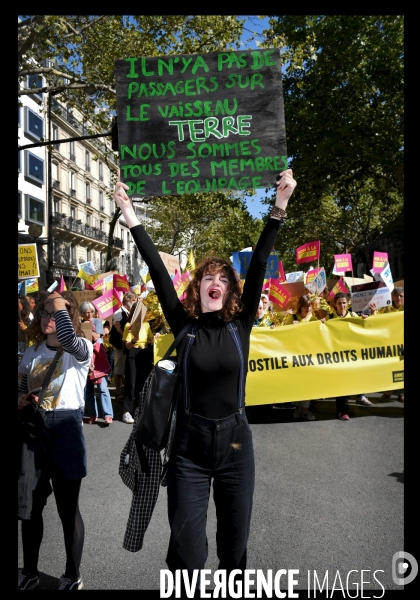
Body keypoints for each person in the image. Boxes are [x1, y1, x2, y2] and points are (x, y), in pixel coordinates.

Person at [113, 168, 297, 578]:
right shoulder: (185, 325)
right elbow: (158, 272)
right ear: (196, 290)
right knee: (186, 553)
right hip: (187, 452)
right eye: (206, 279)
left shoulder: (241, 325)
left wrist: (279, 205)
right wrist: (129, 215)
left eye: (222, 280)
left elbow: (262, 260)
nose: (214, 283)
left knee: (234, 549)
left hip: (235, 449)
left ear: (230, 292)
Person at [18, 290, 93, 590]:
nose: (48, 318)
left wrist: (58, 301)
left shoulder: (80, 348)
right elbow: (21, 386)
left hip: (66, 429)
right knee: (31, 506)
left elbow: (68, 336)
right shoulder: (32, 352)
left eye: (55, 313)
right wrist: (21, 399)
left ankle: (72, 574)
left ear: (67, 315)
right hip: (34, 430)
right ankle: (31, 570)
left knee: (67, 508)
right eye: (45, 313)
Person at [327, 293, 372, 419]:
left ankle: (352, 402)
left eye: (344, 303)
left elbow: (365, 326)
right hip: (337, 357)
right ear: (335, 304)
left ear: (348, 303)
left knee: (351, 382)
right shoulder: (329, 318)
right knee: (341, 385)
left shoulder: (353, 316)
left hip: (352, 356)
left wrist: (369, 316)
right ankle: (342, 411)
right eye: (339, 303)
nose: (342, 305)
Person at [282, 295, 319, 420]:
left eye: (309, 306)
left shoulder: (314, 319)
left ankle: (304, 410)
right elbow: (282, 334)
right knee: (297, 384)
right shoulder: (291, 318)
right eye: (305, 306)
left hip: (309, 357)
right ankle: (298, 407)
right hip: (294, 357)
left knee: (307, 384)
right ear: (299, 307)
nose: (307, 308)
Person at [121, 301, 155, 424]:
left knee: (144, 382)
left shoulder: (146, 325)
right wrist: (134, 340)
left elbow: (151, 340)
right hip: (133, 354)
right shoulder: (128, 326)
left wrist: (157, 337)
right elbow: (128, 345)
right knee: (131, 382)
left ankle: (140, 409)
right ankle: (126, 411)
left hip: (144, 355)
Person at [79, 302, 113, 425]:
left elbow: (96, 336)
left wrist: (88, 328)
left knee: (102, 387)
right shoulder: (78, 323)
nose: (89, 314)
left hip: (97, 358)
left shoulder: (97, 322)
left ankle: (108, 414)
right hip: (85, 357)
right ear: (82, 313)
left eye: (91, 311)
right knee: (88, 389)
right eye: (86, 312)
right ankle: (93, 414)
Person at [377, 287, 404, 402]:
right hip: (389, 344)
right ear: (392, 297)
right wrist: (373, 312)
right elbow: (376, 319)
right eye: (396, 296)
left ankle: (401, 393)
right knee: (389, 368)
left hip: (402, 344)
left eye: (401, 296)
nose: (398, 298)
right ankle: (387, 392)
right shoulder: (386, 309)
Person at [111, 291, 137, 403]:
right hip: (120, 343)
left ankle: (124, 389)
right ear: (128, 301)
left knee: (126, 367)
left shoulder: (131, 312)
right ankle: (117, 391)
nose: (136, 302)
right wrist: (126, 337)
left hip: (127, 344)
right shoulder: (119, 312)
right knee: (119, 368)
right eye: (134, 300)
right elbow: (117, 327)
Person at [18, 294, 33, 360]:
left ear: (22, 304)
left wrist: (25, 329)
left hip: (25, 353)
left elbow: (33, 335)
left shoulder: (29, 317)